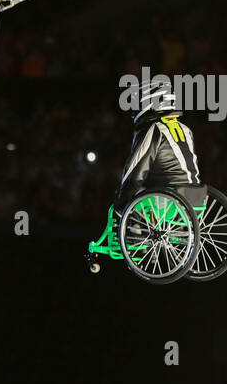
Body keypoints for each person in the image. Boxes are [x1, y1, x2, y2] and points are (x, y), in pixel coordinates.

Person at [87, 80, 205, 265]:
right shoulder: (185, 129)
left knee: (129, 199)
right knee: (143, 194)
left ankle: (137, 246)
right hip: (197, 199)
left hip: (170, 201)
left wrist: (121, 202)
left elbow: (136, 169)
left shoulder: (153, 129)